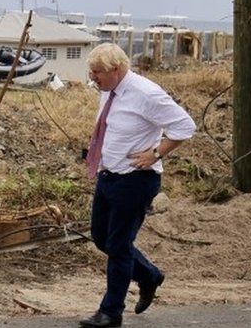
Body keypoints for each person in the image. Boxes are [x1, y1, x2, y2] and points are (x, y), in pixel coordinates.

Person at [80, 43, 196, 328]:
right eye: (91, 71)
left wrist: (156, 152)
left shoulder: (146, 93)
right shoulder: (109, 90)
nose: (92, 77)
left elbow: (185, 125)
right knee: (101, 237)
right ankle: (148, 276)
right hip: (109, 175)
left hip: (135, 179)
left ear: (116, 70)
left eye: (97, 72)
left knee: (118, 245)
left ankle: (110, 312)